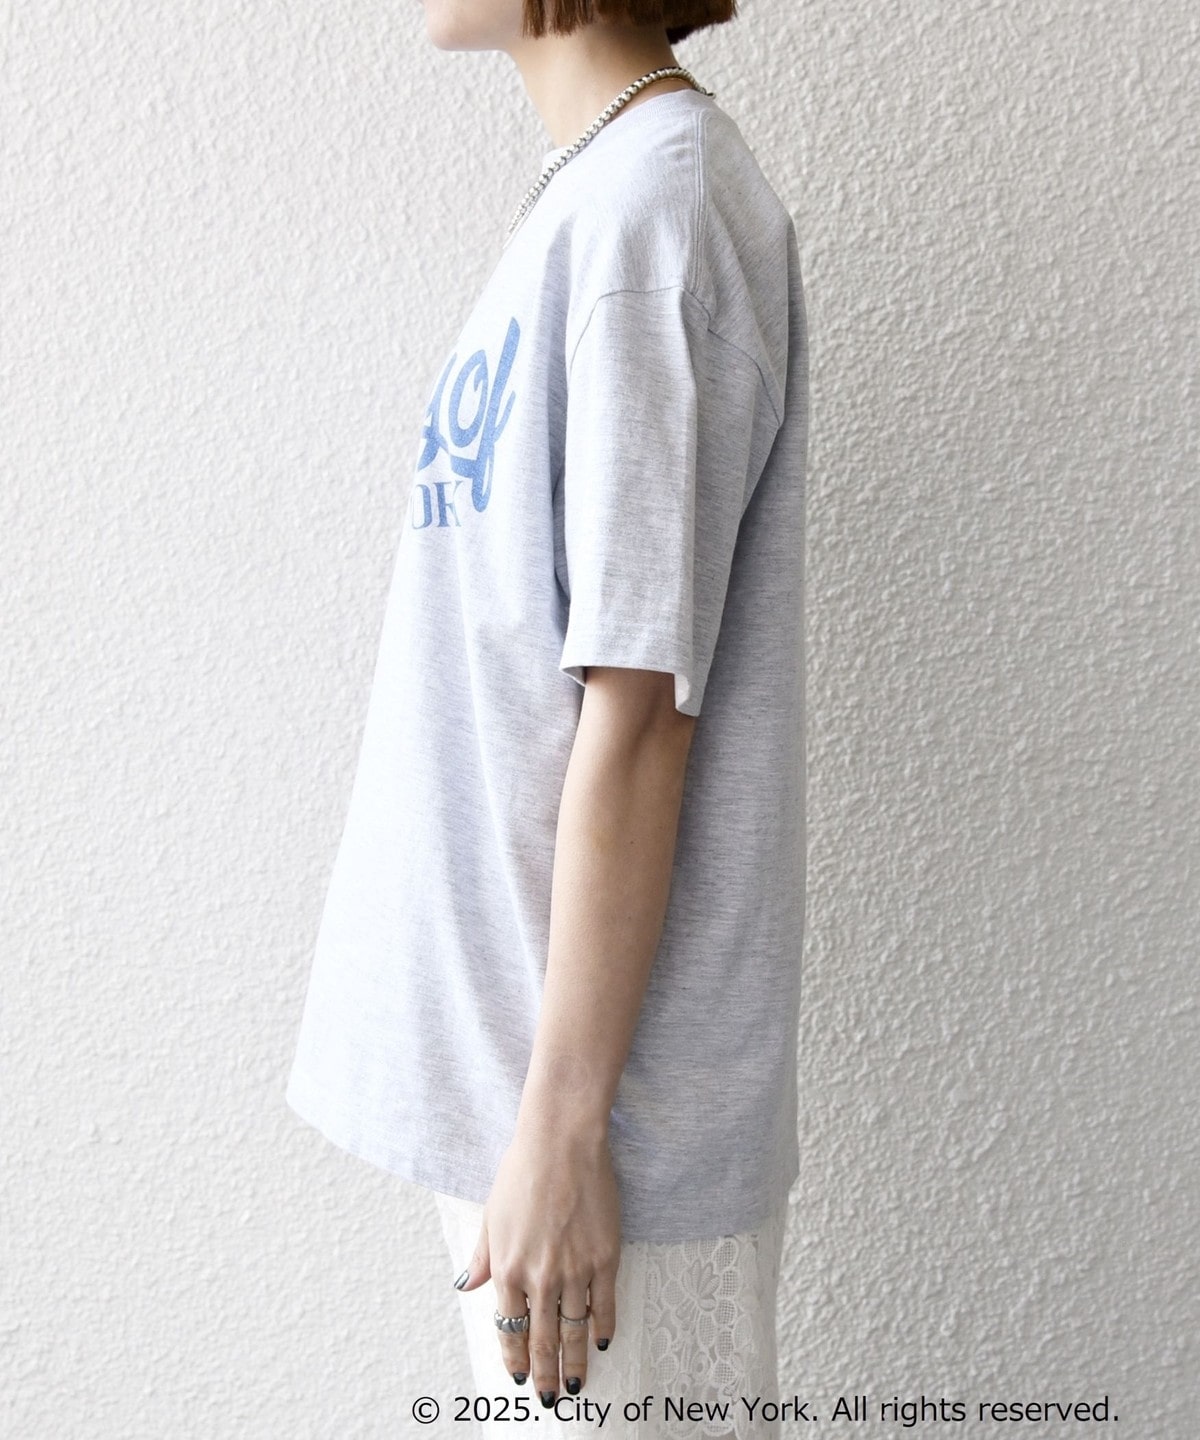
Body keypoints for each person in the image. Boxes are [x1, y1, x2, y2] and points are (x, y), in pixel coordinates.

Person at [284, 0, 809, 1434]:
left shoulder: (659, 216)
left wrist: (568, 1131)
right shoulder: (600, 194)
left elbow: (642, 713)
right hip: (527, 1105)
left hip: (593, 1140)